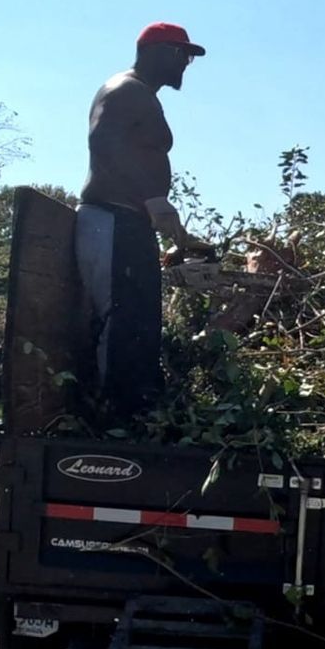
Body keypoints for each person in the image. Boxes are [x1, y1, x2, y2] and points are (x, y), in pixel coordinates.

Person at [76, 22, 213, 420]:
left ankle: (136, 414)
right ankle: (113, 421)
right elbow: (103, 141)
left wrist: (176, 233)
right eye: (182, 54)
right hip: (111, 220)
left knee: (139, 322)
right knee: (121, 321)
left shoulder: (142, 95)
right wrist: (150, 197)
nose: (186, 64)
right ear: (158, 52)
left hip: (130, 223)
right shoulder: (124, 89)